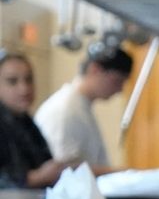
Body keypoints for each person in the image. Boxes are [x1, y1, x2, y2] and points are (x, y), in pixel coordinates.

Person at [34, 41, 131, 172]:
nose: (120, 89)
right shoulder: (65, 109)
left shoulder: (80, 106)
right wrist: (121, 172)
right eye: (117, 81)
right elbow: (64, 169)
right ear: (95, 69)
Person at [0, 50, 78, 189]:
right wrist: (38, 177)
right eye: (12, 82)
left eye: (29, 80)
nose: (24, 89)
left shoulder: (26, 122)